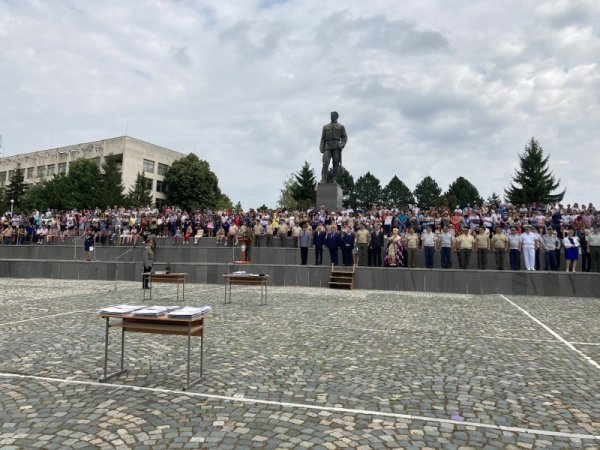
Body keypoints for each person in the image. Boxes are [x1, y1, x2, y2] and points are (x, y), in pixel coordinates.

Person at [320, 111, 348, 183]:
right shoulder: (325, 127)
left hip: (336, 146)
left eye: (333, 115)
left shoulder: (340, 127)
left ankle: (334, 179)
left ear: (336, 116)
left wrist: (342, 144)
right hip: (327, 146)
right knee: (325, 162)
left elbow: (344, 137)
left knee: (336, 163)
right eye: (331, 115)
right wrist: (321, 147)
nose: (332, 117)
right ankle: (323, 179)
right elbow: (323, 138)